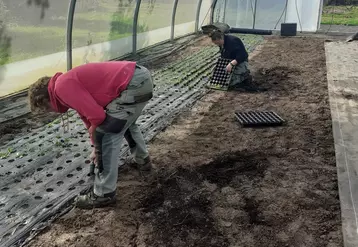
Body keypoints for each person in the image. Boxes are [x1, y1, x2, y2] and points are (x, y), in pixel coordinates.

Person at [28, 61, 154, 209]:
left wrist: (99, 144)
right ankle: (143, 161)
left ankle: (104, 194)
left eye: (48, 109)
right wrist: (95, 147)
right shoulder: (65, 84)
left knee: (106, 133)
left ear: (45, 100)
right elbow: (87, 117)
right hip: (139, 77)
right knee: (123, 124)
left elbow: (97, 117)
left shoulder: (61, 87)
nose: (52, 112)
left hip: (133, 84)